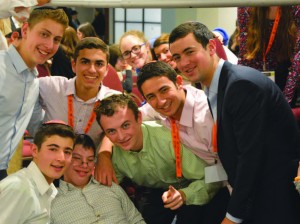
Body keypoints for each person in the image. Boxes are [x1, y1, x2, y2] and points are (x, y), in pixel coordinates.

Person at [169, 21, 300, 224]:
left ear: (212, 47)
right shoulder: (216, 85)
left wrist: (233, 217)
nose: (184, 62)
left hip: (272, 199)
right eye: (177, 57)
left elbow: (251, 158)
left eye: (189, 51)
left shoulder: (241, 85)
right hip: (255, 195)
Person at [95, 93, 222, 224]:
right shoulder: (113, 156)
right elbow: (103, 191)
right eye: (111, 131)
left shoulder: (168, 139)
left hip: (193, 186)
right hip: (156, 195)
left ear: (139, 118)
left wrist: (185, 195)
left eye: (126, 125)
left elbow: (212, 176)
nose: (121, 137)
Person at [0, 8, 69, 180]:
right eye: (44, 34)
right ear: (25, 30)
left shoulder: (33, 82)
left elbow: (38, 128)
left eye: (56, 39)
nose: (49, 45)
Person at [28, 37, 120, 149]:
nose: (92, 69)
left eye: (99, 64)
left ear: (106, 70)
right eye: (85, 62)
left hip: (89, 164)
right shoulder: (52, 87)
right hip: (51, 162)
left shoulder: (114, 101)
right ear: (73, 65)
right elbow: (22, 86)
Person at [50, 134, 145, 224]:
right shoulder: (49, 201)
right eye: (77, 158)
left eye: (90, 160)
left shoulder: (111, 187)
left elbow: (136, 220)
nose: (84, 165)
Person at [0, 120, 75, 224]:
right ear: (35, 150)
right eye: (53, 149)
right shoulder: (19, 188)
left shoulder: (50, 190)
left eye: (67, 152)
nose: (61, 158)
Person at [238, 6, 300, 107]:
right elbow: (245, 54)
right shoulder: (246, 7)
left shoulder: (295, 6)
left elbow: (297, 58)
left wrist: (285, 101)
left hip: (288, 74)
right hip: (258, 73)